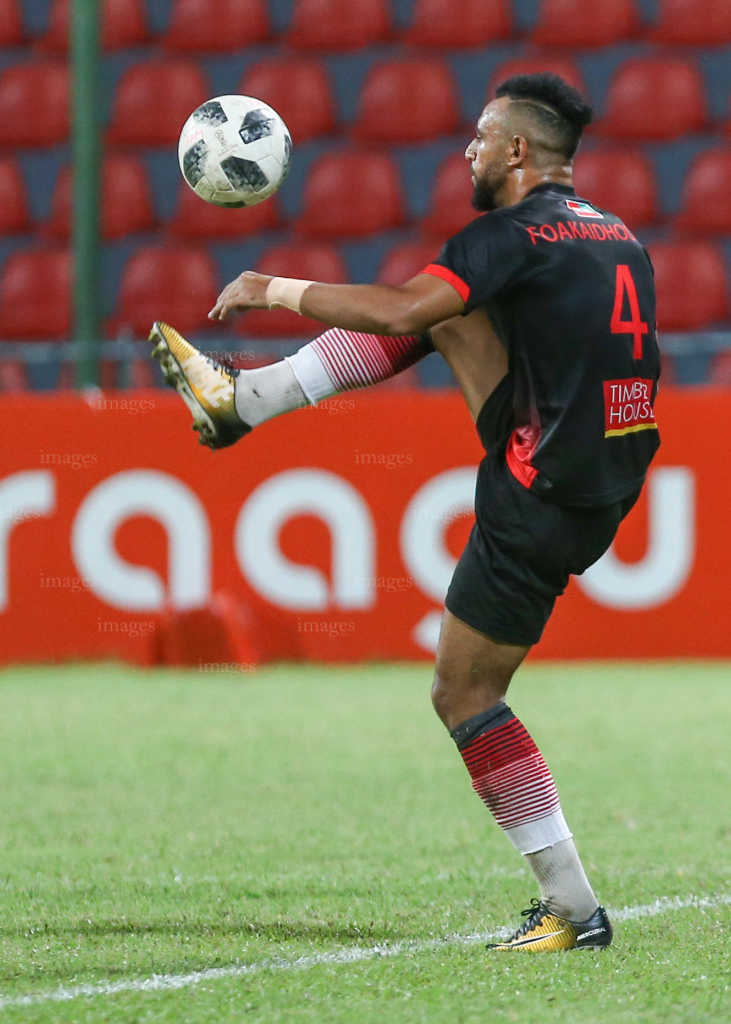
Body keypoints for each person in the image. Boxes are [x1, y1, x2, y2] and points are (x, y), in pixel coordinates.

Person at [150, 73, 661, 952]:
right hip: (604, 468)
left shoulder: (509, 235)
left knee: (463, 691)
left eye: (479, 135)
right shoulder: (619, 237)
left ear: (515, 153)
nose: (466, 148)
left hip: (539, 492)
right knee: (450, 317)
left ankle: (574, 913)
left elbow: (393, 309)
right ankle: (245, 400)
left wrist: (271, 286)